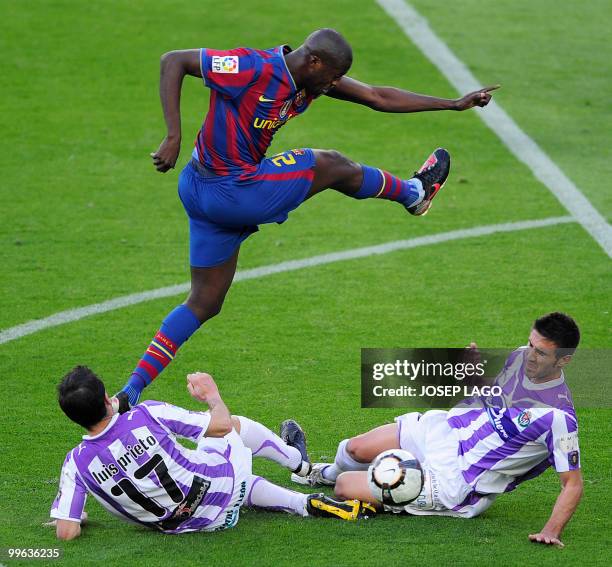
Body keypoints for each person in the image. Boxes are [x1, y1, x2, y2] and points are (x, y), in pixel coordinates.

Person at [116, 28, 498, 408]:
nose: (334, 84)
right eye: (332, 76)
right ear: (313, 60)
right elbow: (175, 61)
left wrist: (452, 104)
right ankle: (414, 194)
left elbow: (377, 96)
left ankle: (130, 391)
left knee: (204, 302)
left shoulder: (313, 78)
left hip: (202, 192)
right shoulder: (252, 67)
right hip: (232, 190)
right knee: (329, 164)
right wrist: (172, 135)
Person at [292, 312, 583, 547]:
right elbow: (493, 395)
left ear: (564, 359)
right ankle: (322, 473)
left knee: (345, 487)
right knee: (353, 448)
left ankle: (374, 498)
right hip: (444, 432)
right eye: (530, 344)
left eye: (541, 353)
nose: (531, 355)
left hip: (457, 479)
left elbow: (572, 483)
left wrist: (551, 530)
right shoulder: (521, 356)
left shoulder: (558, 417)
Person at [49, 368, 375, 540]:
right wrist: (212, 394)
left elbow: (67, 530)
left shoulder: (75, 463)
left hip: (186, 527)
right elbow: (218, 426)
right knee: (233, 427)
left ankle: (303, 504)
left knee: (223, 470)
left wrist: (79, 517)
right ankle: (303, 468)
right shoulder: (147, 415)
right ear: (107, 398)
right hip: (217, 488)